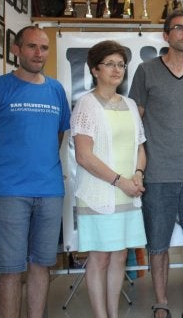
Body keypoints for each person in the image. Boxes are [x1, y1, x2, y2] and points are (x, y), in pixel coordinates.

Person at [0, 25, 71, 318]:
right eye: (31, 46)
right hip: (9, 193)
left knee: (42, 265)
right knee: (11, 269)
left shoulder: (56, 90)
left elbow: (57, 137)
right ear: (16, 50)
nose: (38, 53)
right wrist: (1, 179)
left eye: (43, 48)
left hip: (50, 191)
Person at [129, 9, 183, 318]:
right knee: (157, 246)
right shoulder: (146, 71)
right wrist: (137, 168)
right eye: (178, 28)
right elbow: (134, 121)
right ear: (165, 36)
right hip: (158, 175)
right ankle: (161, 302)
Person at [71, 40, 147, 318]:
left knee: (118, 255)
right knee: (100, 257)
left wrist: (138, 174)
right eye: (110, 64)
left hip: (128, 194)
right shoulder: (86, 105)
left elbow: (140, 147)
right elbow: (84, 156)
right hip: (99, 195)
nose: (117, 70)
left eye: (121, 64)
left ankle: (113, 314)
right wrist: (119, 181)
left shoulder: (129, 104)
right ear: (94, 69)